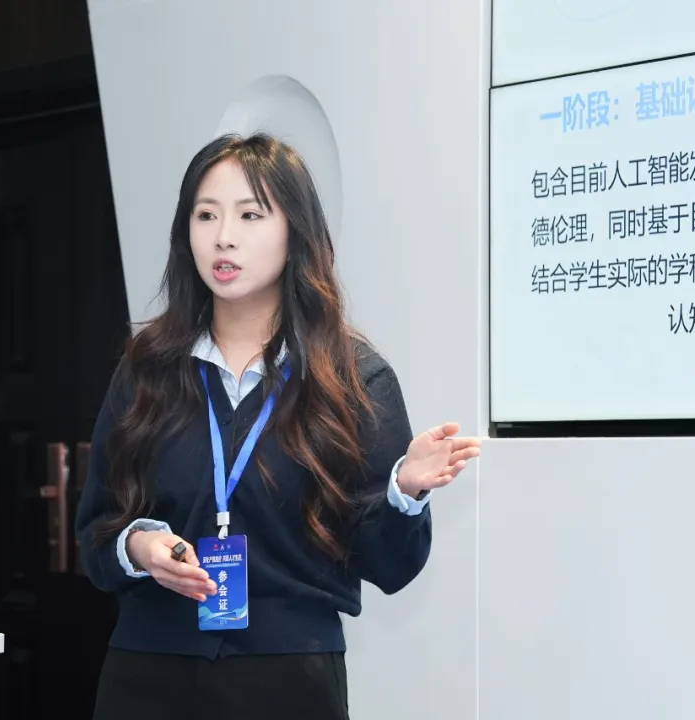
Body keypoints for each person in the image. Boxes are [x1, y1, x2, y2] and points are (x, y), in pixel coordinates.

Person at [74, 132, 481, 720]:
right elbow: (96, 529)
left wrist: (405, 491)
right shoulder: (147, 369)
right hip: (147, 672)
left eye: (250, 215)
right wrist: (139, 546)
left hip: (288, 678)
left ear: (296, 232)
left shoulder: (353, 377)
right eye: (206, 215)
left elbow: (389, 567)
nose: (223, 236)